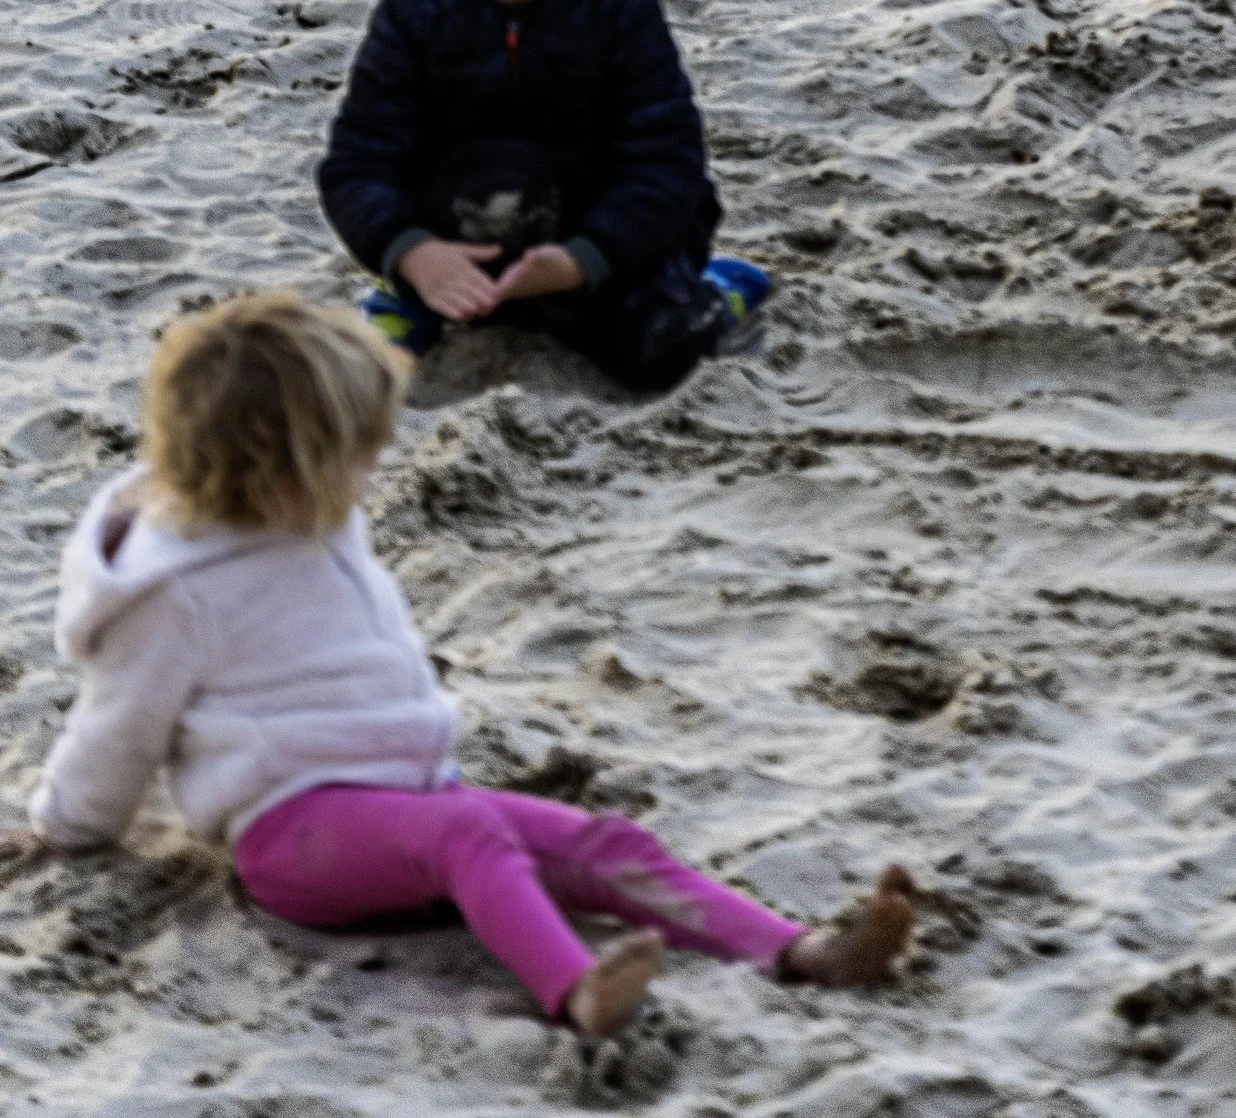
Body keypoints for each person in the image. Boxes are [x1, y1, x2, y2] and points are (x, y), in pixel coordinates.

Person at [24, 295, 916, 1037]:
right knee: (469, 841)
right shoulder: (172, 590)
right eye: (357, 452)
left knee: (607, 842)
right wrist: (68, 823)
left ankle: (799, 952)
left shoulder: (311, 511)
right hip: (294, 836)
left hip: (409, 795)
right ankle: (576, 993)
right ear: (277, 473)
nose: (376, 464)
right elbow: (117, 724)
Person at [319, 0, 767, 393]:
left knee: (656, 352)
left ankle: (713, 293)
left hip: (595, 258)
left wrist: (584, 259)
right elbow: (356, 166)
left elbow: (668, 165)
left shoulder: (624, 14)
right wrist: (412, 251)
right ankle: (412, 297)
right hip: (459, 250)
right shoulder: (413, 15)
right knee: (369, 354)